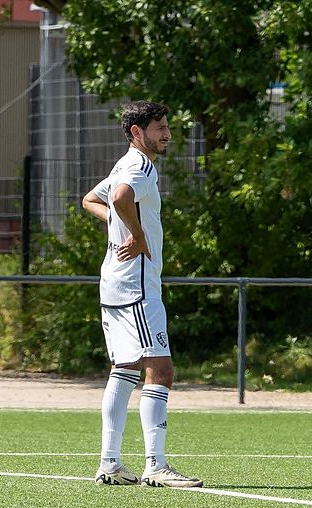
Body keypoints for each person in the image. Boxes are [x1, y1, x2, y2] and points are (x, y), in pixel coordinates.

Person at [81, 100, 203, 488]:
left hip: (115, 283)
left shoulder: (123, 163)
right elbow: (118, 198)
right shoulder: (140, 166)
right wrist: (135, 234)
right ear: (138, 132)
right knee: (160, 370)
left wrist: (120, 224)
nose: (167, 134)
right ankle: (156, 465)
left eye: (167, 126)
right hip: (136, 286)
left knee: (124, 370)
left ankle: (110, 463)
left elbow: (91, 200)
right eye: (159, 128)